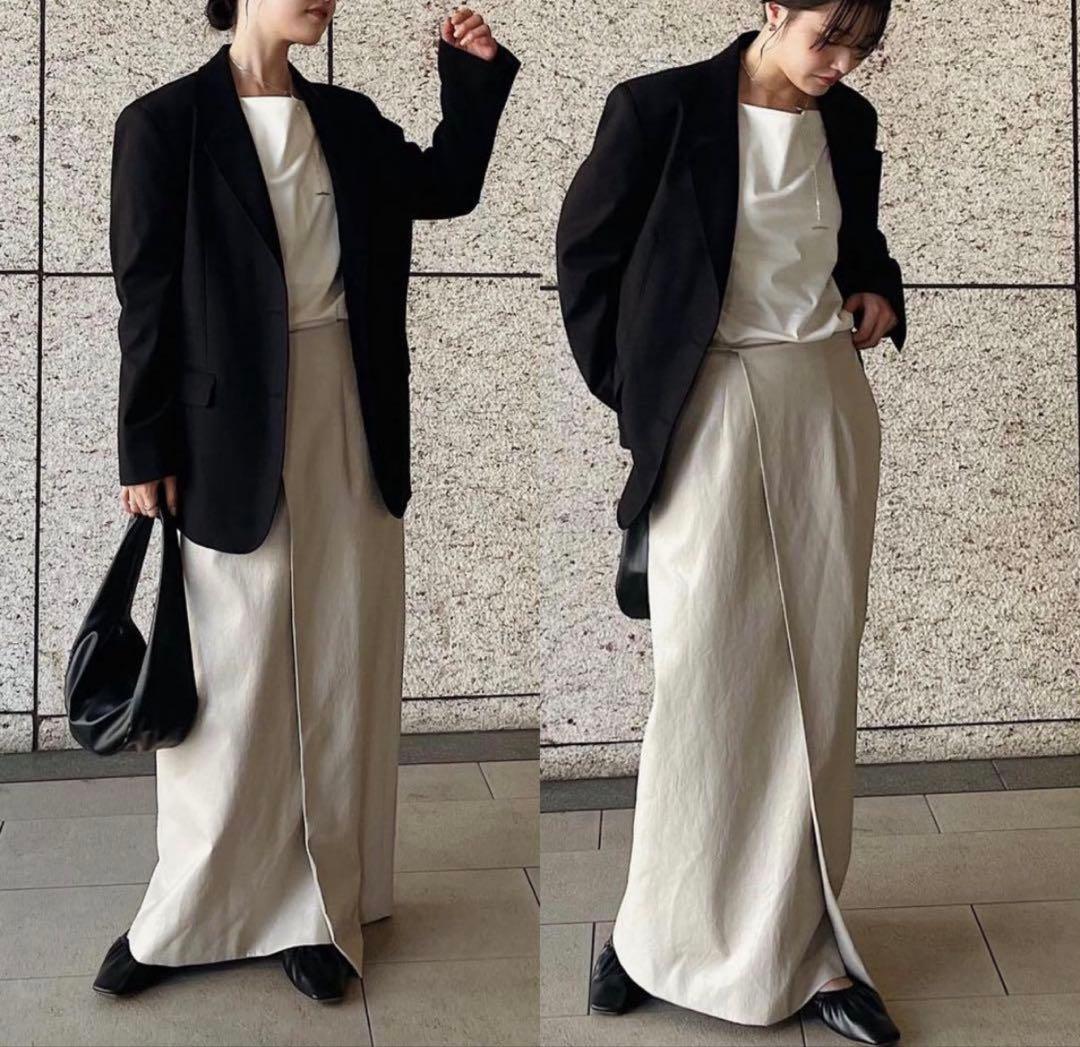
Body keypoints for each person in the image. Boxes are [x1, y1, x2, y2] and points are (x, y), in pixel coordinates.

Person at [93, 0, 519, 1003]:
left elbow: (447, 187)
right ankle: (190, 908)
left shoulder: (348, 120)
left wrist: (474, 78)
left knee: (339, 658)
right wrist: (143, 442)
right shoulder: (163, 125)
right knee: (230, 674)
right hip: (224, 436)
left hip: (347, 413)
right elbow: (143, 296)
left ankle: (323, 907)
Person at [555, 2, 903, 1044]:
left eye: (861, 47)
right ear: (772, 9)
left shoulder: (848, 121)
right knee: (703, 675)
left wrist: (877, 290)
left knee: (815, 679)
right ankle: (651, 937)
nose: (842, 64)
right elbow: (587, 258)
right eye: (827, 37)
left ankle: (809, 946)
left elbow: (858, 244)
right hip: (707, 404)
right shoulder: (657, 109)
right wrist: (644, 394)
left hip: (822, 403)